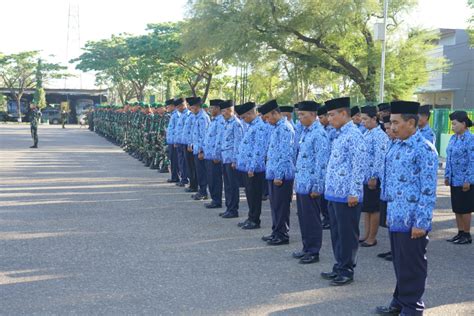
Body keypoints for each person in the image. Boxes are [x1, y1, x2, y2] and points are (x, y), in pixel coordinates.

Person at [376, 100, 438, 316]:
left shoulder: (424, 148)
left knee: (413, 266)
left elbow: (428, 189)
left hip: (413, 220)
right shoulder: (396, 145)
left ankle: (412, 308)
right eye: (390, 123)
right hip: (396, 215)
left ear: (411, 123)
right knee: (401, 264)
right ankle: (400, 302)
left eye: (395, 123)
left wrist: (421, 223)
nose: (391, 127)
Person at [320, 97, 366, 286]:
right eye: (328, 115)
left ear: (344, 114)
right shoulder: (339, 134)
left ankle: (347, 269)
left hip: (347, 194)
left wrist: (354, 191)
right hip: (334, 192)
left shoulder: (353, 135)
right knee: (337, 232)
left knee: (347, 234)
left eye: (332, 115)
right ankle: (339, 265)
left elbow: (358, 165)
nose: (329, 119)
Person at [293, 101, 330, 263]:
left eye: (303, 115)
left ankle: (314, 251)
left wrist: (317, 186)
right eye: (299, 114)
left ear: (314, 115)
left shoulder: (319, 133)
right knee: (304, 217)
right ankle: (306, 247)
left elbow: (321, 163)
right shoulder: (306, 132)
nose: (300, 118)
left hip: (311, 185)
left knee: (312, 219)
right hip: (302, 182)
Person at [259, 100, 295, 245]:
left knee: (281, 206)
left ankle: (282, 234)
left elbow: (285, 154)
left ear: (275, 113)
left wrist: (279, 174)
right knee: (275, 205)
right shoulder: (276, 128)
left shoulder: (285, 128)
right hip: (273, 172)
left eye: (268, 117)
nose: (267, 120)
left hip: (282, 174)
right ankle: (276, 231)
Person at [359, 105, 390, 247]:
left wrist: (374, 176)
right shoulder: (366, 133)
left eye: (365, 119)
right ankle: (366, 234)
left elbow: (380, 157)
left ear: (374, 119)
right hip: (365, 177)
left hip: (373, 178)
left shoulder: (379, 135)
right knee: (367, 209)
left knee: (373, 208)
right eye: (362, 118)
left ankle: (372, 237)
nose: (362, 121)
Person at [235, 102, 268, 230]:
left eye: (244, 117)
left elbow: (259, 149)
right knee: (249, 193)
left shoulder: (259, 127)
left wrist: (253, 166)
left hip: (253, 168)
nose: (243, 120)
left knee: (254, 195)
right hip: (247, 166)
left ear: (250, 113)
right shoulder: (251, 125)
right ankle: (250, 217)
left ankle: (255, 220)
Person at [445, 111, 473, 245]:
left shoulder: (470, 139)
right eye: (452, 124)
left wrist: (468, 179)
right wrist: (447, 175)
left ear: (463, 124)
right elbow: (449, 157)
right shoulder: (453, 138)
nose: (452, 126)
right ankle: (460, 232)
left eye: (454, 124)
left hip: (465, 180)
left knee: (465, 208)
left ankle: (467, 234)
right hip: (454, 179)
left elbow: (472, 161)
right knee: (457, 207)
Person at [219, 100, 244, 218]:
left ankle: (234, 209)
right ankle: (229, 207)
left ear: (230, 110)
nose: (222, 113)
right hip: (225, 157)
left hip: (231, 159)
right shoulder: (226, 123)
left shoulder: (236, 123)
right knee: (227, 184)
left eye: (224, 111)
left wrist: (235, 159)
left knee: (233, 185)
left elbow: (238, 143)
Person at [377, 114, 395, 261]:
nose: (388, 131)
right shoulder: (390, 143)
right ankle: (393, 249)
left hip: (397, 194)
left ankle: (396, 250)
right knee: (389, 223)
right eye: (386, 128)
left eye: (389, 128)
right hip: (387, 190)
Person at [203, 99, 225, 209]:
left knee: (215, 178)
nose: (210, 110)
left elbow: (219, 139)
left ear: (218, 109)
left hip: (214, 155)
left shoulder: (221, 121)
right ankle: (214, 199)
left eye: (212, 108)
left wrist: (217, 154)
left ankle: (217, 200)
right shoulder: (214, 120)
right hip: (209, 153)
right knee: (210, 178)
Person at [189, 97, 210, 200]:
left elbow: (204, 135)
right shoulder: (196, 117)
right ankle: (201, 190)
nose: (191, 109)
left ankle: (203, 192)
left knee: (202, 172)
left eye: (192, 107)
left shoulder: (203, 118)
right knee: (198, 171)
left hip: (201, 150)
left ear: (197, 107)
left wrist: (202, 150)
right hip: (196, 148)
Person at [174, 98, 190, 188]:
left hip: (184, 142)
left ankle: (185, 179)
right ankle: (183, 178)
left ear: (182, 105)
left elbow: (186, 130)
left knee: (184, 162)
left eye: (178, 106)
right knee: (181, 161)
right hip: (180, 141)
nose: (177, 108)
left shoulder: (187, 114)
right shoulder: (182, 115)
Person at [166, 99, 181, 182]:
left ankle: (176, 177)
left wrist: (175, 141)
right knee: (172, 159)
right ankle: (174, 176)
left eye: (168, 106)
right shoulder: (173, 114)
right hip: (171, 141)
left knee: (175, 160)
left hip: (174, 141)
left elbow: (177, 129)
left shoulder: (176, 115)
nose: (167, 108)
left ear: (172, 106)